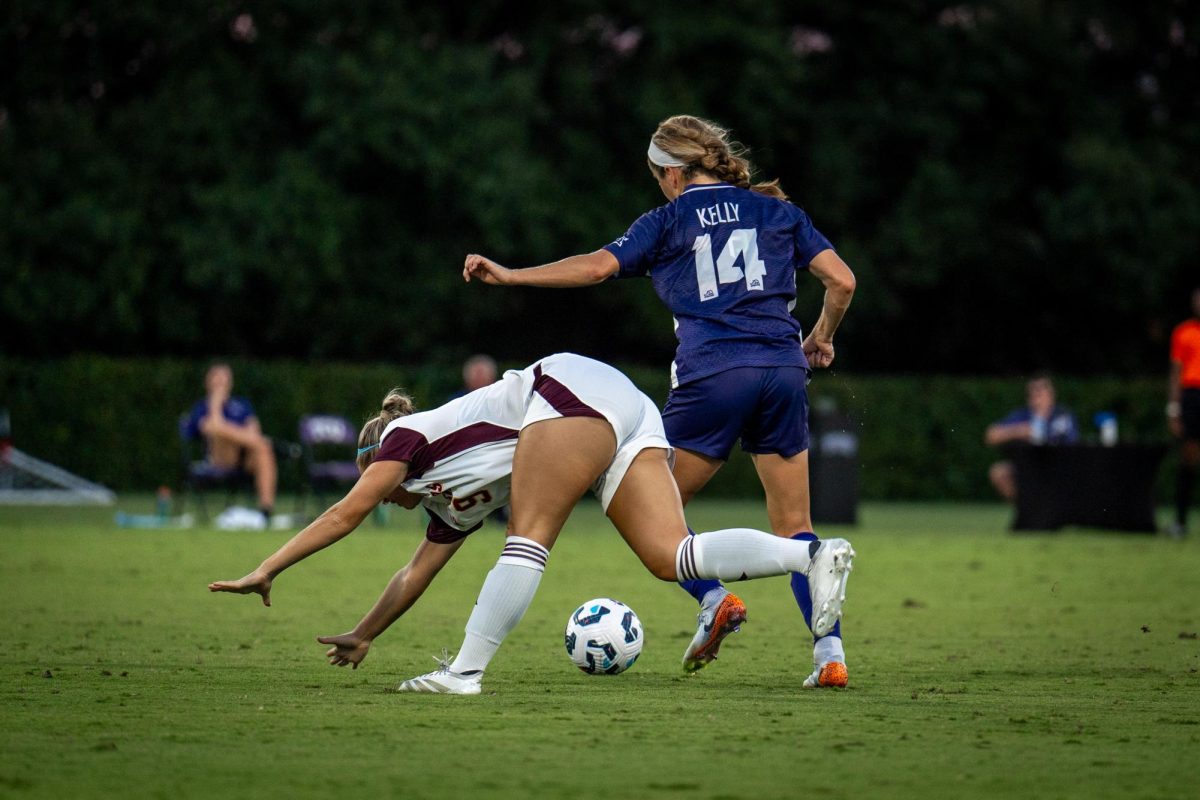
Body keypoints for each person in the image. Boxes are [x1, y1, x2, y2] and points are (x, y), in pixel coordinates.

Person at [461, 115, 856, 688]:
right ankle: (830, 658)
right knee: (797, 525)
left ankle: (713, 598)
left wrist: (514, 275)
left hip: (714, 377)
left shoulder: (669, 220)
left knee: (643, 512)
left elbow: (597, 267)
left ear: (672, 174)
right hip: (783, 372)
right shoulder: (779, 211)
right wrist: (820, 337)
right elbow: (842, 282)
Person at [209, 353, 855, 694]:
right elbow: (415, 574)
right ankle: (810, 556)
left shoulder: (404, 439)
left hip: (566, 388)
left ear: (376, 458)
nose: (380, 497)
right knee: (672, 555)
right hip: (624, 408)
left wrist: (267, 567)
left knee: (527, 534)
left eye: (375, 481)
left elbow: (344, 511)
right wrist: (363, 633)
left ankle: (463, 676)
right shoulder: (448, 503)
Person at [183, 362, 277, 522]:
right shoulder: (201, 407)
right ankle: (252, 442)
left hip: (246, 457)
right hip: (219, 458)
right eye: (216, 378)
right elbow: (211, 429)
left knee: (263, 450)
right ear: (207, 382)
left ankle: (265, 512)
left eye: (224, 379)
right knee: (218, 430)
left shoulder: (242, 405)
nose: (220, 383)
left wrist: (244, 436)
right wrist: (215, 405)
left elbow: (254, 429)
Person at [984, 373, 1079, 502]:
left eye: (1040, 389)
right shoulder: (1024, 415)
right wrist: (1019, 431)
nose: (1035, 395)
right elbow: (991, 435)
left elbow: (1069, 445)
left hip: (1056, 466)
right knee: (999, 472)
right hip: (1028, 466)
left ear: (1051, 394)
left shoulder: (1062, 416)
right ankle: (1027, 506)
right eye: (1032, 391)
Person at [1167, 285, 1200, 538]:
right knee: (1188, 458)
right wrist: (1174, 409)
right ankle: (1180, 521)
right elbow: (1176, 373)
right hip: (1191, 396)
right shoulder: (1183, 332)